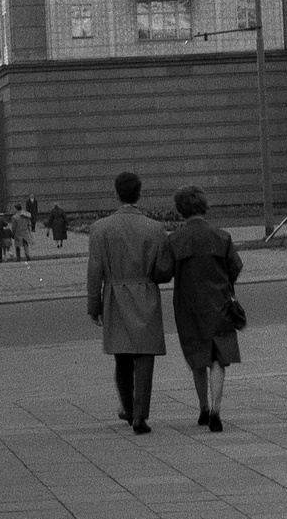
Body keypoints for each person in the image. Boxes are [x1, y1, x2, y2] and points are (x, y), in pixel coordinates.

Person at [87, 171, 173, 435]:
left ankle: (127, 407)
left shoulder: (100, 229)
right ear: (139, 194)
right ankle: (140, 416)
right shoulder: (155, 228)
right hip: (145, 293)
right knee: (144, 358)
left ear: (116, 193)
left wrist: (94, 305)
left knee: (121, 357)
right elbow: (163, 272)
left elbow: (95, 271)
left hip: (115, 295)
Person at [164, 185, 242, 432]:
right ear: (204, 206)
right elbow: (235, 268)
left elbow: (163, 272)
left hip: (188, 305)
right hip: (218, 303)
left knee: (197, 356)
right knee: (218, 358)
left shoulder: (175, 239)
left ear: (180, 210)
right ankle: (217, 409)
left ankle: (203, 408)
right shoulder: (221, 236)